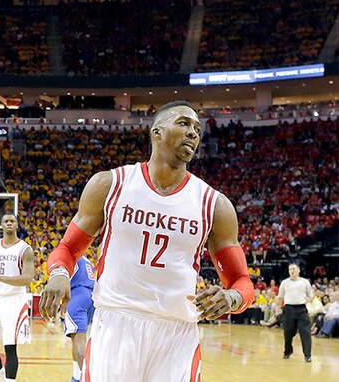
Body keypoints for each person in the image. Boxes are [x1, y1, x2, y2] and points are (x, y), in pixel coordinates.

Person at [40, 101, 255, 381]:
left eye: (197, 129)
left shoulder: (213, 205)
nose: (193, 133)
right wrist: (58, 274)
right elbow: (68, 248)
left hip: (177, 333)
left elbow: (242, 281)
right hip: (116, 324)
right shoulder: (110, 185)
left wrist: (231, 297)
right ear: (157, 131)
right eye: (183, 123)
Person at [0, 214, 35, 382]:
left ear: (17, 225)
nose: (9, 223)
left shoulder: (25, 249)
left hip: (15, 300)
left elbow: (27, 279)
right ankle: (3, 378)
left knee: (10, 348)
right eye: (6, 221)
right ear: (1, 225)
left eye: (12, 221)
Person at [62, 255, 96, 382]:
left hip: (77, 295)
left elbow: (63, 279)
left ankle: (86, 378)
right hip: (91, 296)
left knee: (79, 343)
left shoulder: (70, 255)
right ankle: (76, 377)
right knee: (80, 339)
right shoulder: (87, 260)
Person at [276, 262, 313, 362]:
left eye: (294, 269)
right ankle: (288, 351)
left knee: (305, 332)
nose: (292, 271)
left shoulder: (305, 282)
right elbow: (280, 297)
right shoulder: (284, 283)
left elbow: (310, 295)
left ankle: (307, 355)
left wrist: (308, 300)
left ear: (299, 270)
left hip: (301, 309)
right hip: (289, 309)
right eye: (290, 269)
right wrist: (278, 307)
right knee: (288, 332)